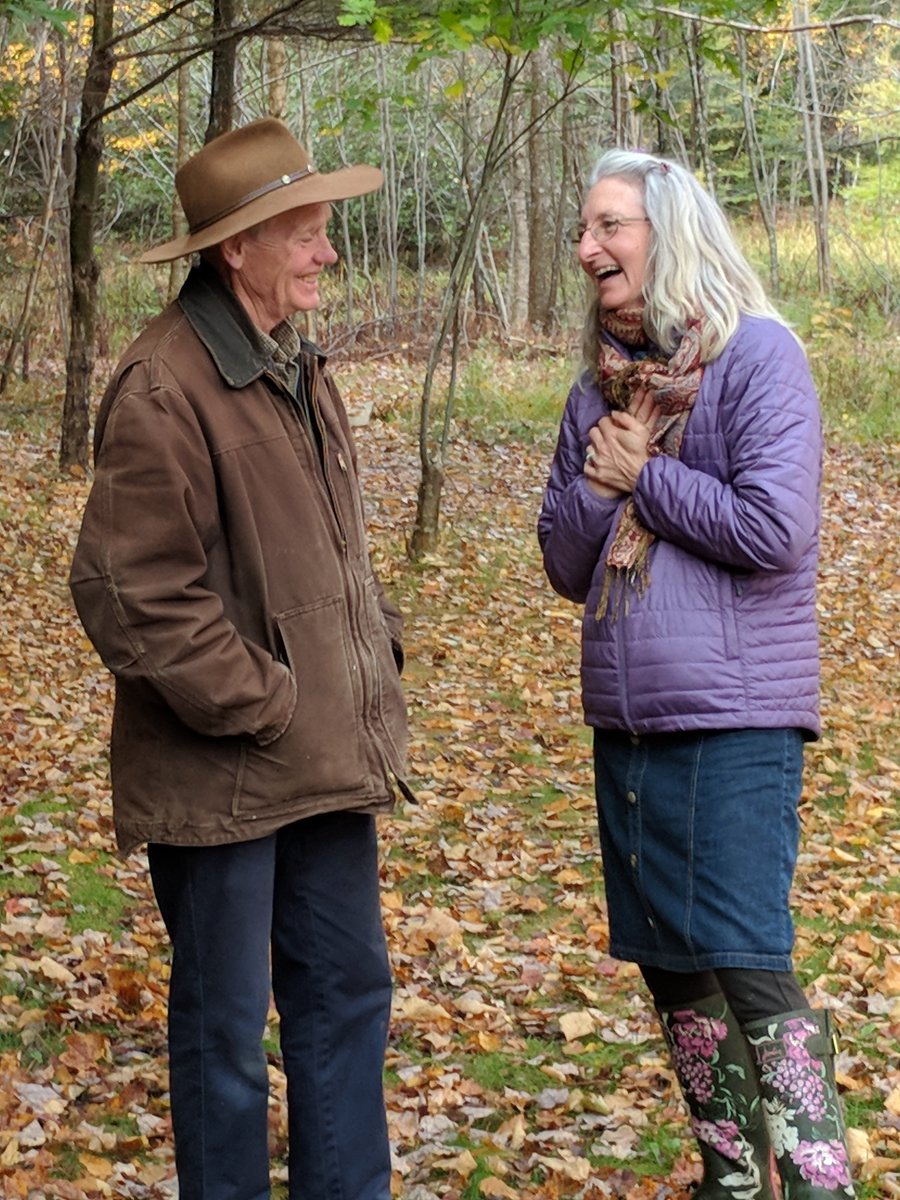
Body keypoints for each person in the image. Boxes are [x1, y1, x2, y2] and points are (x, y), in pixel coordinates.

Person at [70, 117, 410, 1200]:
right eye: (305, 233)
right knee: (224, 1033)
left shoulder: (295, 366)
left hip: (317, 765)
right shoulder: (164, 387)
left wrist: (367, 660)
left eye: (322, 229)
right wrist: (265, 700)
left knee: (347, 995)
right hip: (224, 773)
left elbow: (325, 554)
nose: (326, 252)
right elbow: (130, 590)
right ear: (238, 249)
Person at [538, 149, 855, 1200]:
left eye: (611, 226)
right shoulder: (601, 391)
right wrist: (602, 476)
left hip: (734, 719)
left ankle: (815, 1181)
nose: (589, 248)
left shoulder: (761, 358)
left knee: (748, 960)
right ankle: (727, 1177)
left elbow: (776, 529)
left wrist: (648, 476)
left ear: (670, 235)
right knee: (672, 965)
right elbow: (564, 562)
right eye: (585, 230)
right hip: (629, 723)